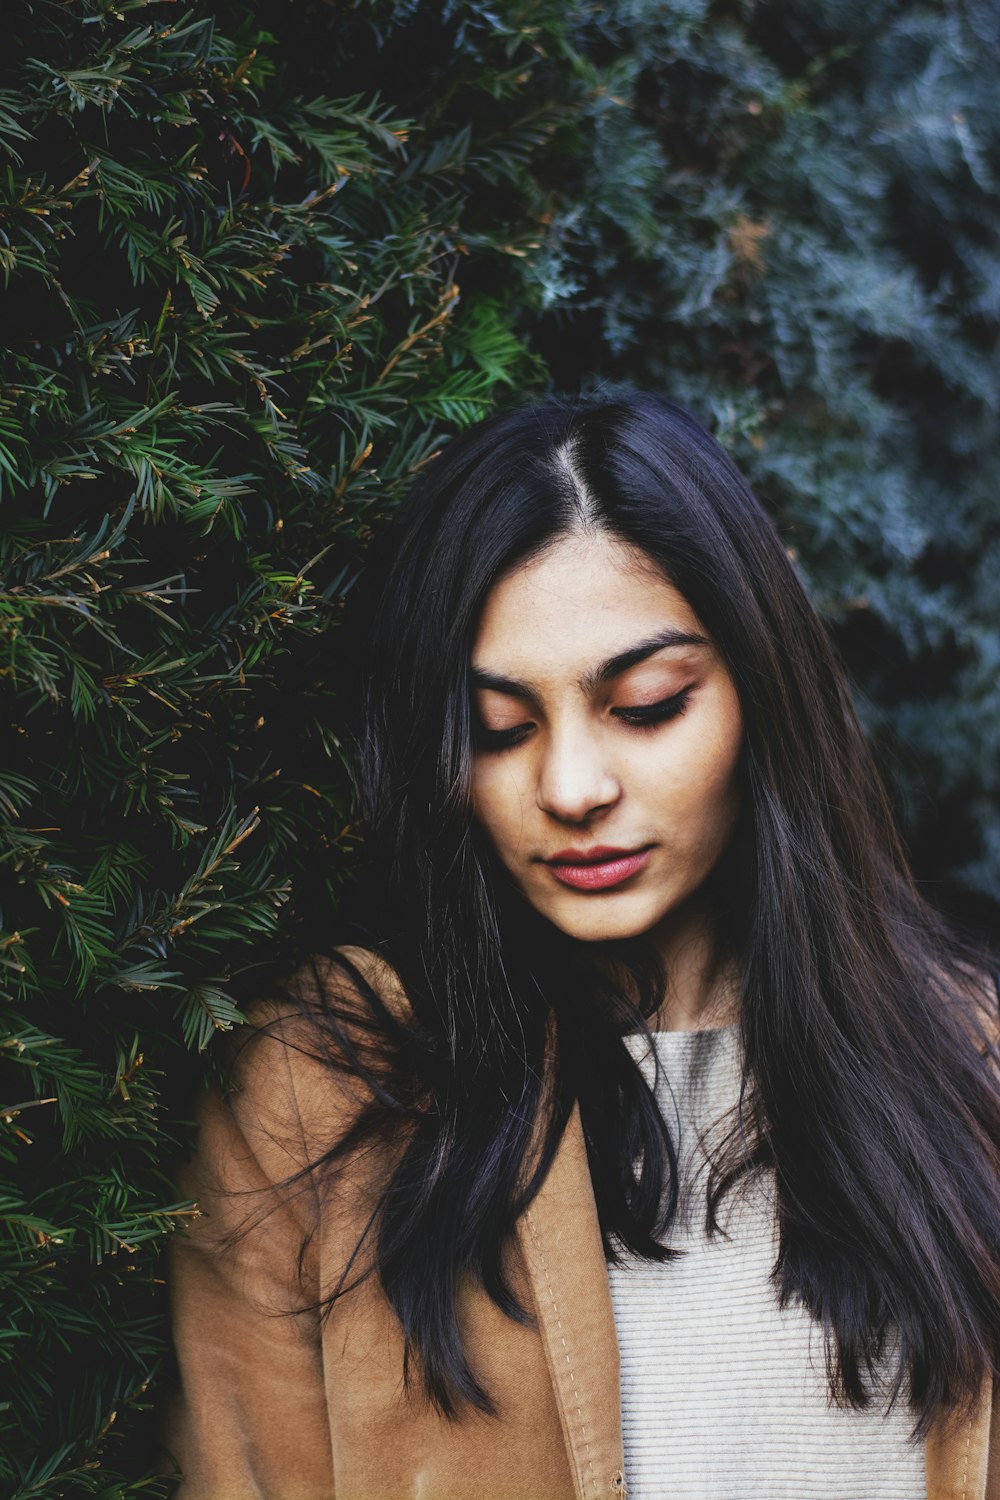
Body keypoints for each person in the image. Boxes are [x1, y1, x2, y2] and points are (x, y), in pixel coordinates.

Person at [162, 391, 1000, 1499]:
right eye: (498, 729)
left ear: (762, 694)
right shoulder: (325, 1089)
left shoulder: (969, 1064)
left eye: (646, 705)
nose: (570, 788)